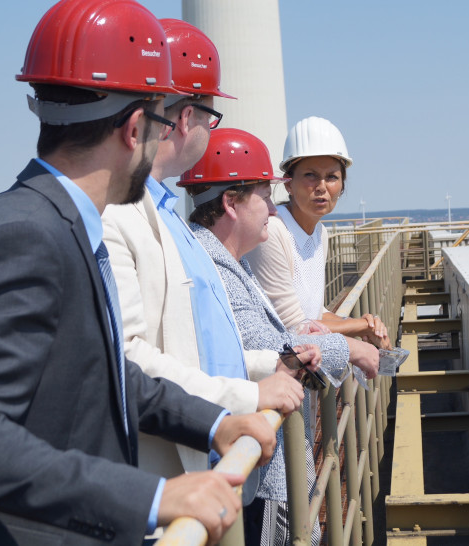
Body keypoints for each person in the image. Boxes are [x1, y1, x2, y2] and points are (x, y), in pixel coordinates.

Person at [0, 2, 275, 544]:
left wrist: (216, 422)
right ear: (134, 128)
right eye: (161, 121)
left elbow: (100, 369)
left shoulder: (62, 222)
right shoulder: (23, 236)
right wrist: (152, 497)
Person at [101, 18, 315, 487]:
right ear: (185, 118)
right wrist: (248, 391)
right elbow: (130, 358)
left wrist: (269, 364)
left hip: (205, 460)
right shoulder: (121, 214)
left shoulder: (167, 214)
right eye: (210, 116)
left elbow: (199, 342)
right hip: (173, 478)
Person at [179, 128, 379, 545]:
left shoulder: (223, 259)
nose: (274, 209)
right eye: (265, 196)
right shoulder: (216, 266)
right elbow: (263, 346)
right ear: (231, 202)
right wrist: (349, 345)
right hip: (261, 469)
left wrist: (301, 333)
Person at [246, 116, 392, 349]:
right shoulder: (273, 230)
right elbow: (295, 325)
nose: (322, 187)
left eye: (332, 177)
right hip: (274, 371)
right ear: (288, 184)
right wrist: (361, 326)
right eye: (310, 175)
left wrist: (368, 323)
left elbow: (316, 313)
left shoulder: (319, 234)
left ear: (342, 186)